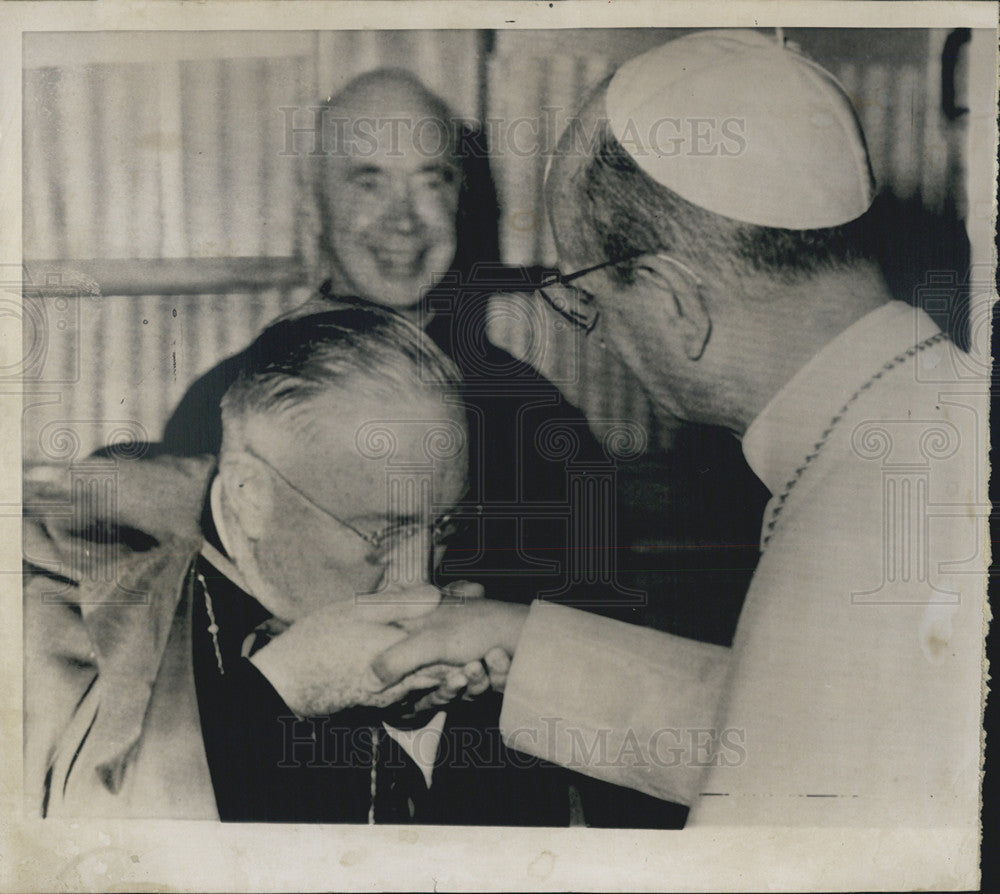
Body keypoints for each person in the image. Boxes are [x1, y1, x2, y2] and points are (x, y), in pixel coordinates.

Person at [369, 30, 985, 827]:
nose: (598, 330)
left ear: (675, 303)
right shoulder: (916, 424)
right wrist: (520, 645)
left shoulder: (854, 540)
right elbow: (796, 738)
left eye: (590, 296)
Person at [24, 307, 573, 825]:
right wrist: (284, 687)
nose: (420, 580)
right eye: (387, 532)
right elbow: (88, 848)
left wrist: (421, 724)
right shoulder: (59, 587)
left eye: (444, 526)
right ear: (250, 494)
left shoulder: (477, 577)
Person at [161, 67, 636, 614]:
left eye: (431, 181)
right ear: (313, 205)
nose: (404, 221)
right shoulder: (222, 404)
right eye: (368, 182)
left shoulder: (541, 424)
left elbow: (588, 641)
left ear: (462, 198)